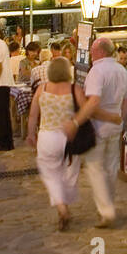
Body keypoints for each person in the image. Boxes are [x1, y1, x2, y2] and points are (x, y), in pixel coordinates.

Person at [69, 38, 127, 228]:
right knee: (111, 167)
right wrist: (119, 117)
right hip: (115, 126)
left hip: (99, 126)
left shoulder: (97, 71)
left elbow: (93, 102)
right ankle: (108, 203)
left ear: (101, 52)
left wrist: (77, 121)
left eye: (93, 51)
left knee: (95, 168)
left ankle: (106, 210)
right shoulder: (122, 70)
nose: (91, 55)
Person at [27, 56, 81, 230]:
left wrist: (30, 134)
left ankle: (61, 206)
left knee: (51, 174)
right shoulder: (75, 89)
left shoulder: (42, 89)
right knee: (70, 173)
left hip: (47, 136)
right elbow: (86, 112)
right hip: (69, 137)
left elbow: (33, 115)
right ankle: (65, 202)